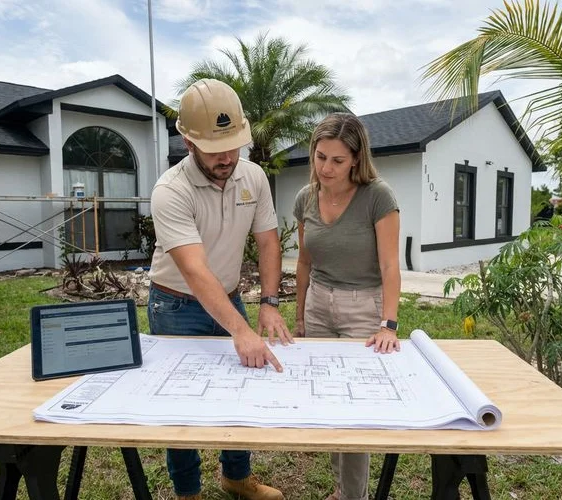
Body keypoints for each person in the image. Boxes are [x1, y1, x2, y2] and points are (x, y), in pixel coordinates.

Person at [147, 78, 292, 500]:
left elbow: (268, 240)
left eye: (235, 145)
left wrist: (267, 302)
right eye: (215, 150)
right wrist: (241, 331)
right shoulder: (170, 191)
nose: (228, 157)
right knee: (181, 403)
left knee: (242, 387)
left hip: (227, 297)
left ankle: (235, 478)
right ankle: (188, 492)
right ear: (188, 142)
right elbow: (194, 270)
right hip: (175, 304)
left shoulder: (254, 176)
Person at [293, 112, 401, 500]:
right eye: (321, 157)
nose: (326, 168)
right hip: (318, 304)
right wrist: (299, 317)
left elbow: (390, 265)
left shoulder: (378, 196)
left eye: (338, 160)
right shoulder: (305, 197)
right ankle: (342, 488)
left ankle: (353, 496)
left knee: (357, 410)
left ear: (356, 158)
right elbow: (304, 262)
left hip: (363, 307)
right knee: (327, 399)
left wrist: (389, 324)